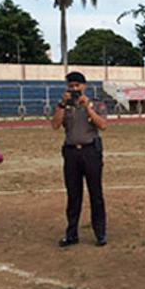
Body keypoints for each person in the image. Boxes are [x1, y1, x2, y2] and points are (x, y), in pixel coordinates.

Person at [51, 71, 109, 247]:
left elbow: (103, 125)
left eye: (77, 85)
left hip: (90, 151)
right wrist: (63, 104)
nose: (74, 89)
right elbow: (55, 125)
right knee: (73, 194)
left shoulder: (96, 104)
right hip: (71, 152)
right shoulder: (64, 106)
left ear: (84, 86)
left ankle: (100, 233)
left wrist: (87, 107)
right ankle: (71, 233)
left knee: (95, 193)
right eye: (71, 86)